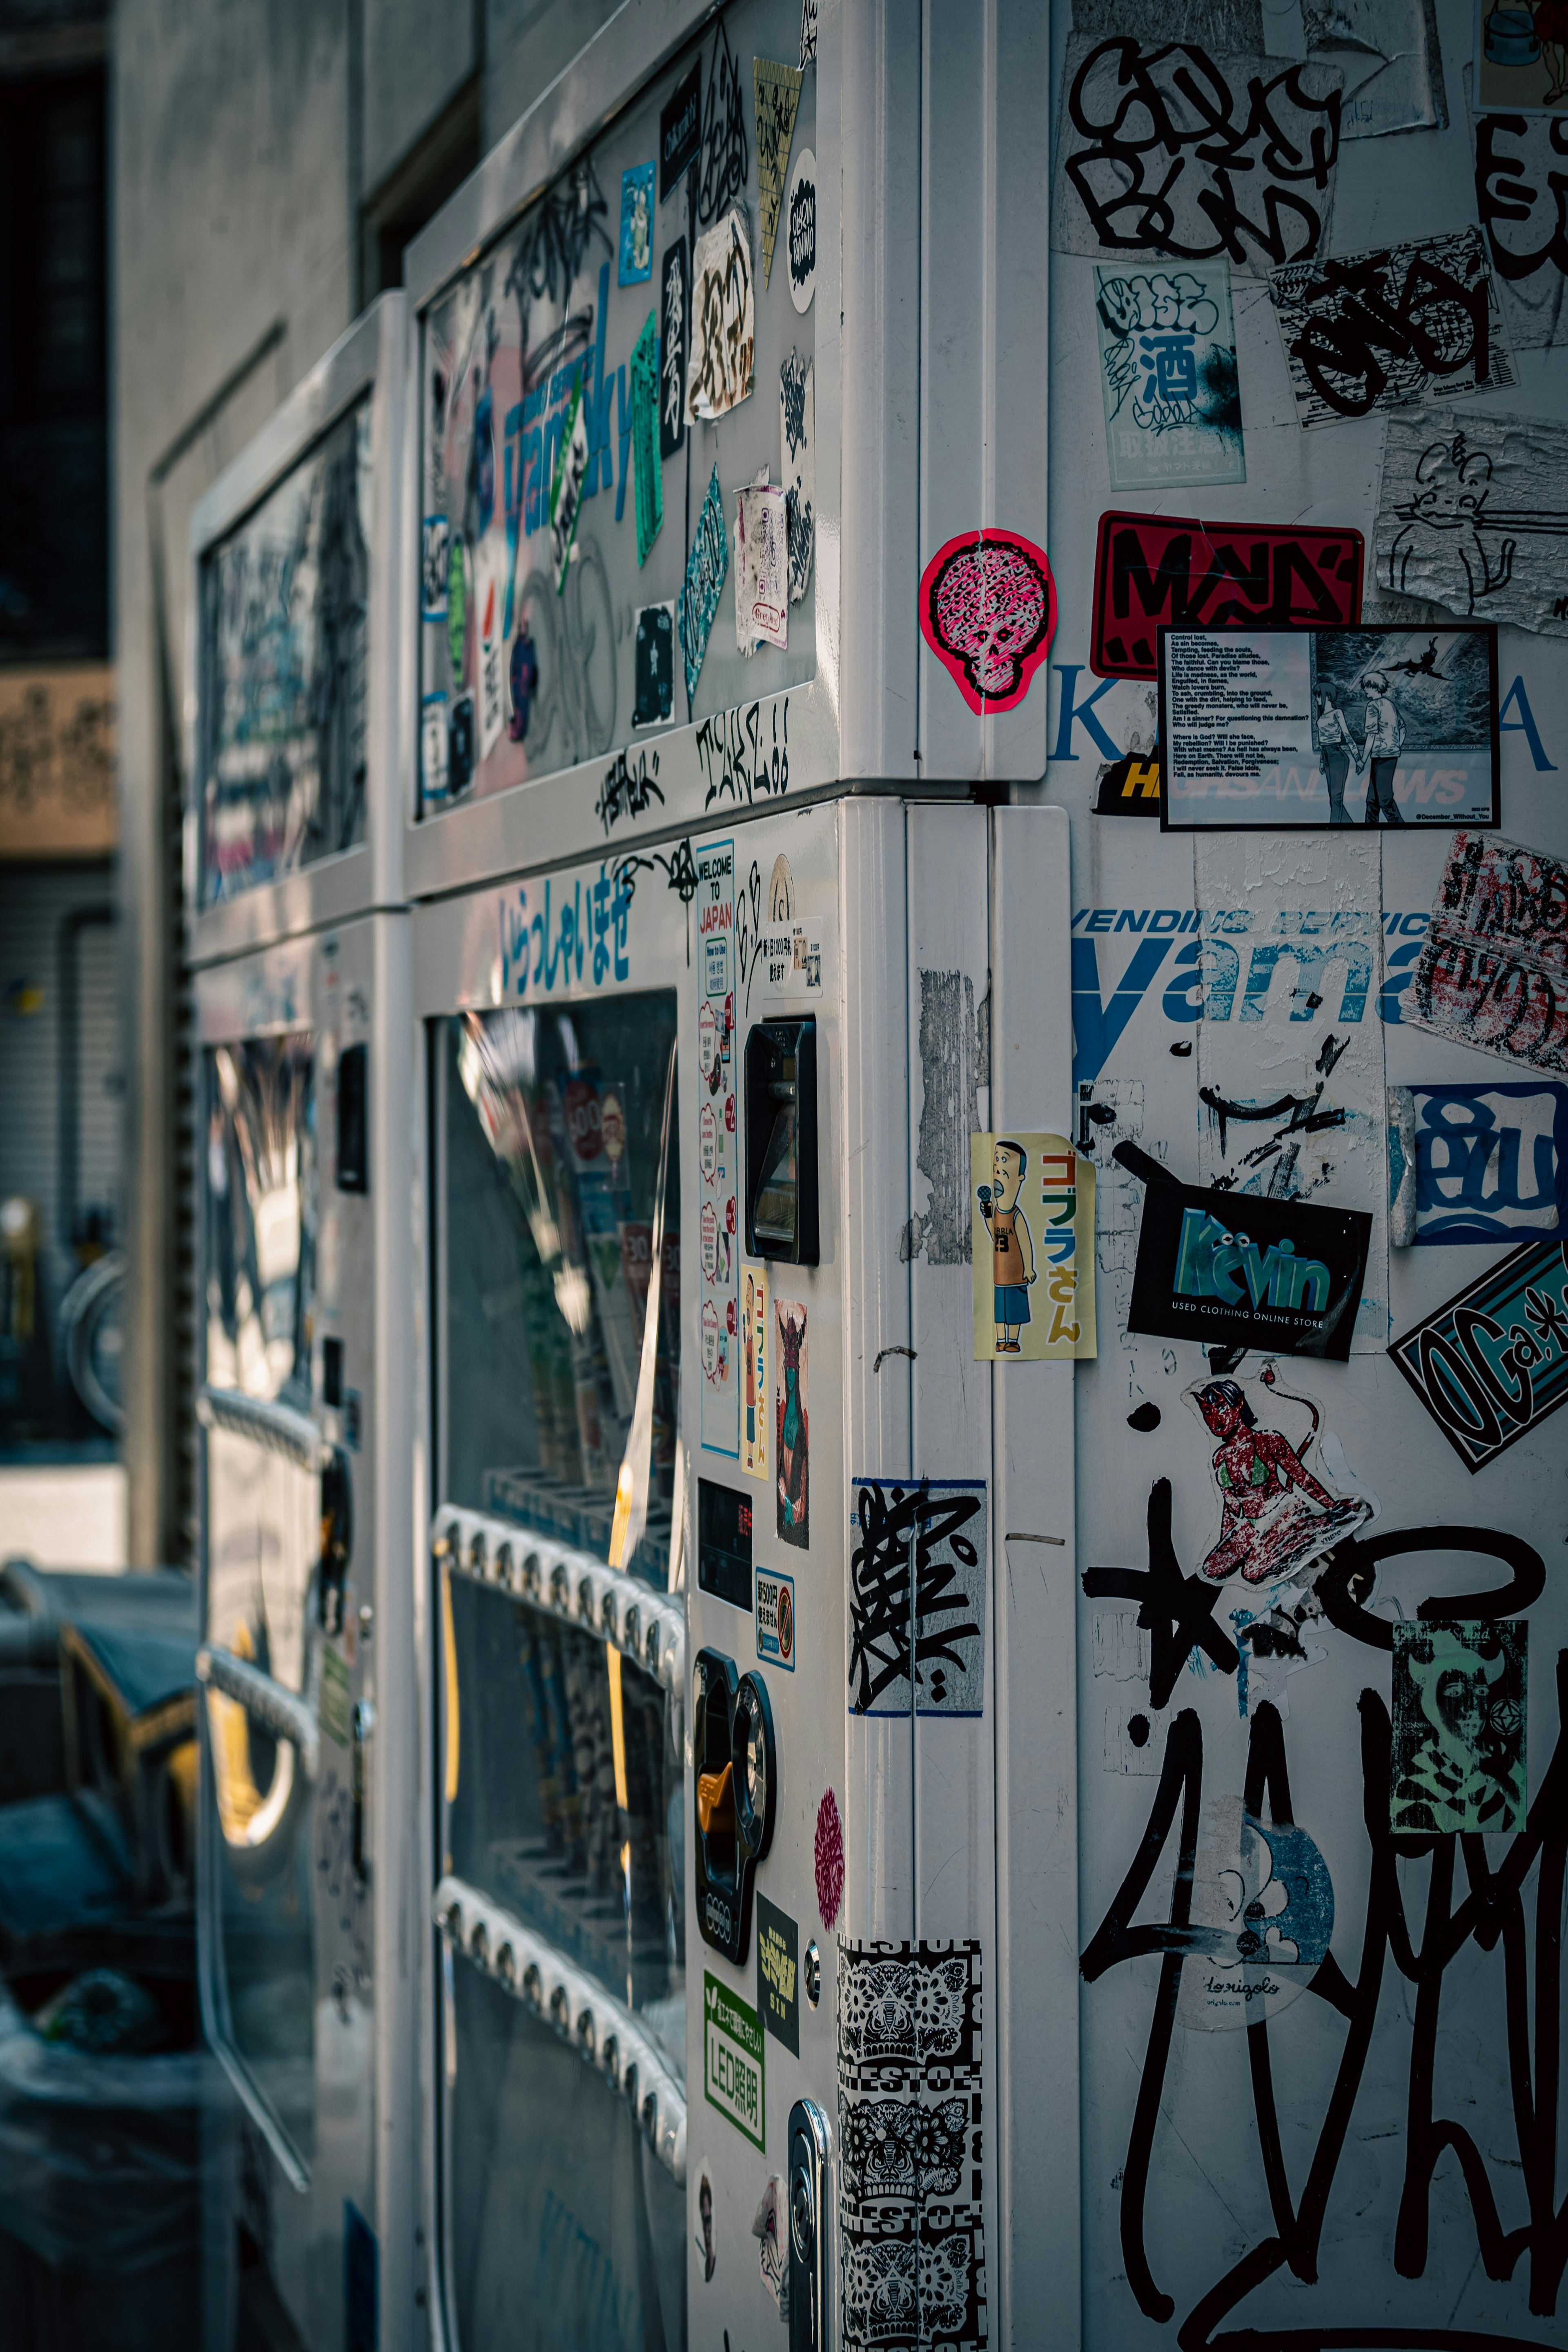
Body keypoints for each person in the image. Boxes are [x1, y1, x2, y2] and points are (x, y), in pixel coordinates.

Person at [977, 1138, 1036, 1352]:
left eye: (1004, 1167)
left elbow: (1026, 1243)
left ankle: (1013, 1340)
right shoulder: (998, 1213)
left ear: (1020, 1178)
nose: (998, 1171)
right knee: (1000, 1311)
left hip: (1016, 1276)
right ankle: (1001, 1340)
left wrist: (1028, 1268)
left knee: (1016, 1311)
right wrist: (987, 1216)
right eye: (996, 1166)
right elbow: (995, 1235)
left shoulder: (1016, 1216)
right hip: (999, 1277)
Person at [1358, 670, 1406, 825]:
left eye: (1366, 687)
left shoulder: (1372, 706)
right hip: (1389, 755)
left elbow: (1371, 736)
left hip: (1380, 756)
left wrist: (1362, 760)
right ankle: (1368, 829)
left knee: (1384, 798)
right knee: (1372, 799)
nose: (1364, 690)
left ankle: (1401, 828)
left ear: (1374, 687)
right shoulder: (1390, 704)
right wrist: (1396, 745)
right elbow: (1403, 728)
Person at [1314, 690, 1354, 826]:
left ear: (1328, 697)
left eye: (1319, 696)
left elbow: (1347, 735)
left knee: (1336, 799)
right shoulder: (1322, 716)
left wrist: (1358, 758)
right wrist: (1321, 761)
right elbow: (1322, 741)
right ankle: (1351, 826)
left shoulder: (1337, 713)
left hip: (1337, 756)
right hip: (1326, 756)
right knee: (1333, 799)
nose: (1317, 699)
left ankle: (1333, 829)